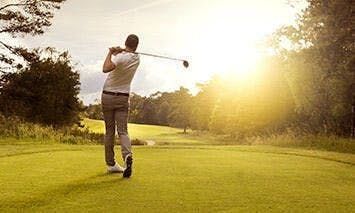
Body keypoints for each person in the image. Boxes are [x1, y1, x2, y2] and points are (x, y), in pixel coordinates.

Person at [101, 34, 140, 178]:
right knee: (123, 131)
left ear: (125, 42)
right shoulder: (136, 59)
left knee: (109, 131)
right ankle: (127, 156)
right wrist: (121, 50)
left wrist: (110, 52)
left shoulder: (120, 58)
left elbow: (105, 68)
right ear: (136, 46)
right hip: (123, 97)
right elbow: (128, 53)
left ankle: (111, 164)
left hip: (108, 95)